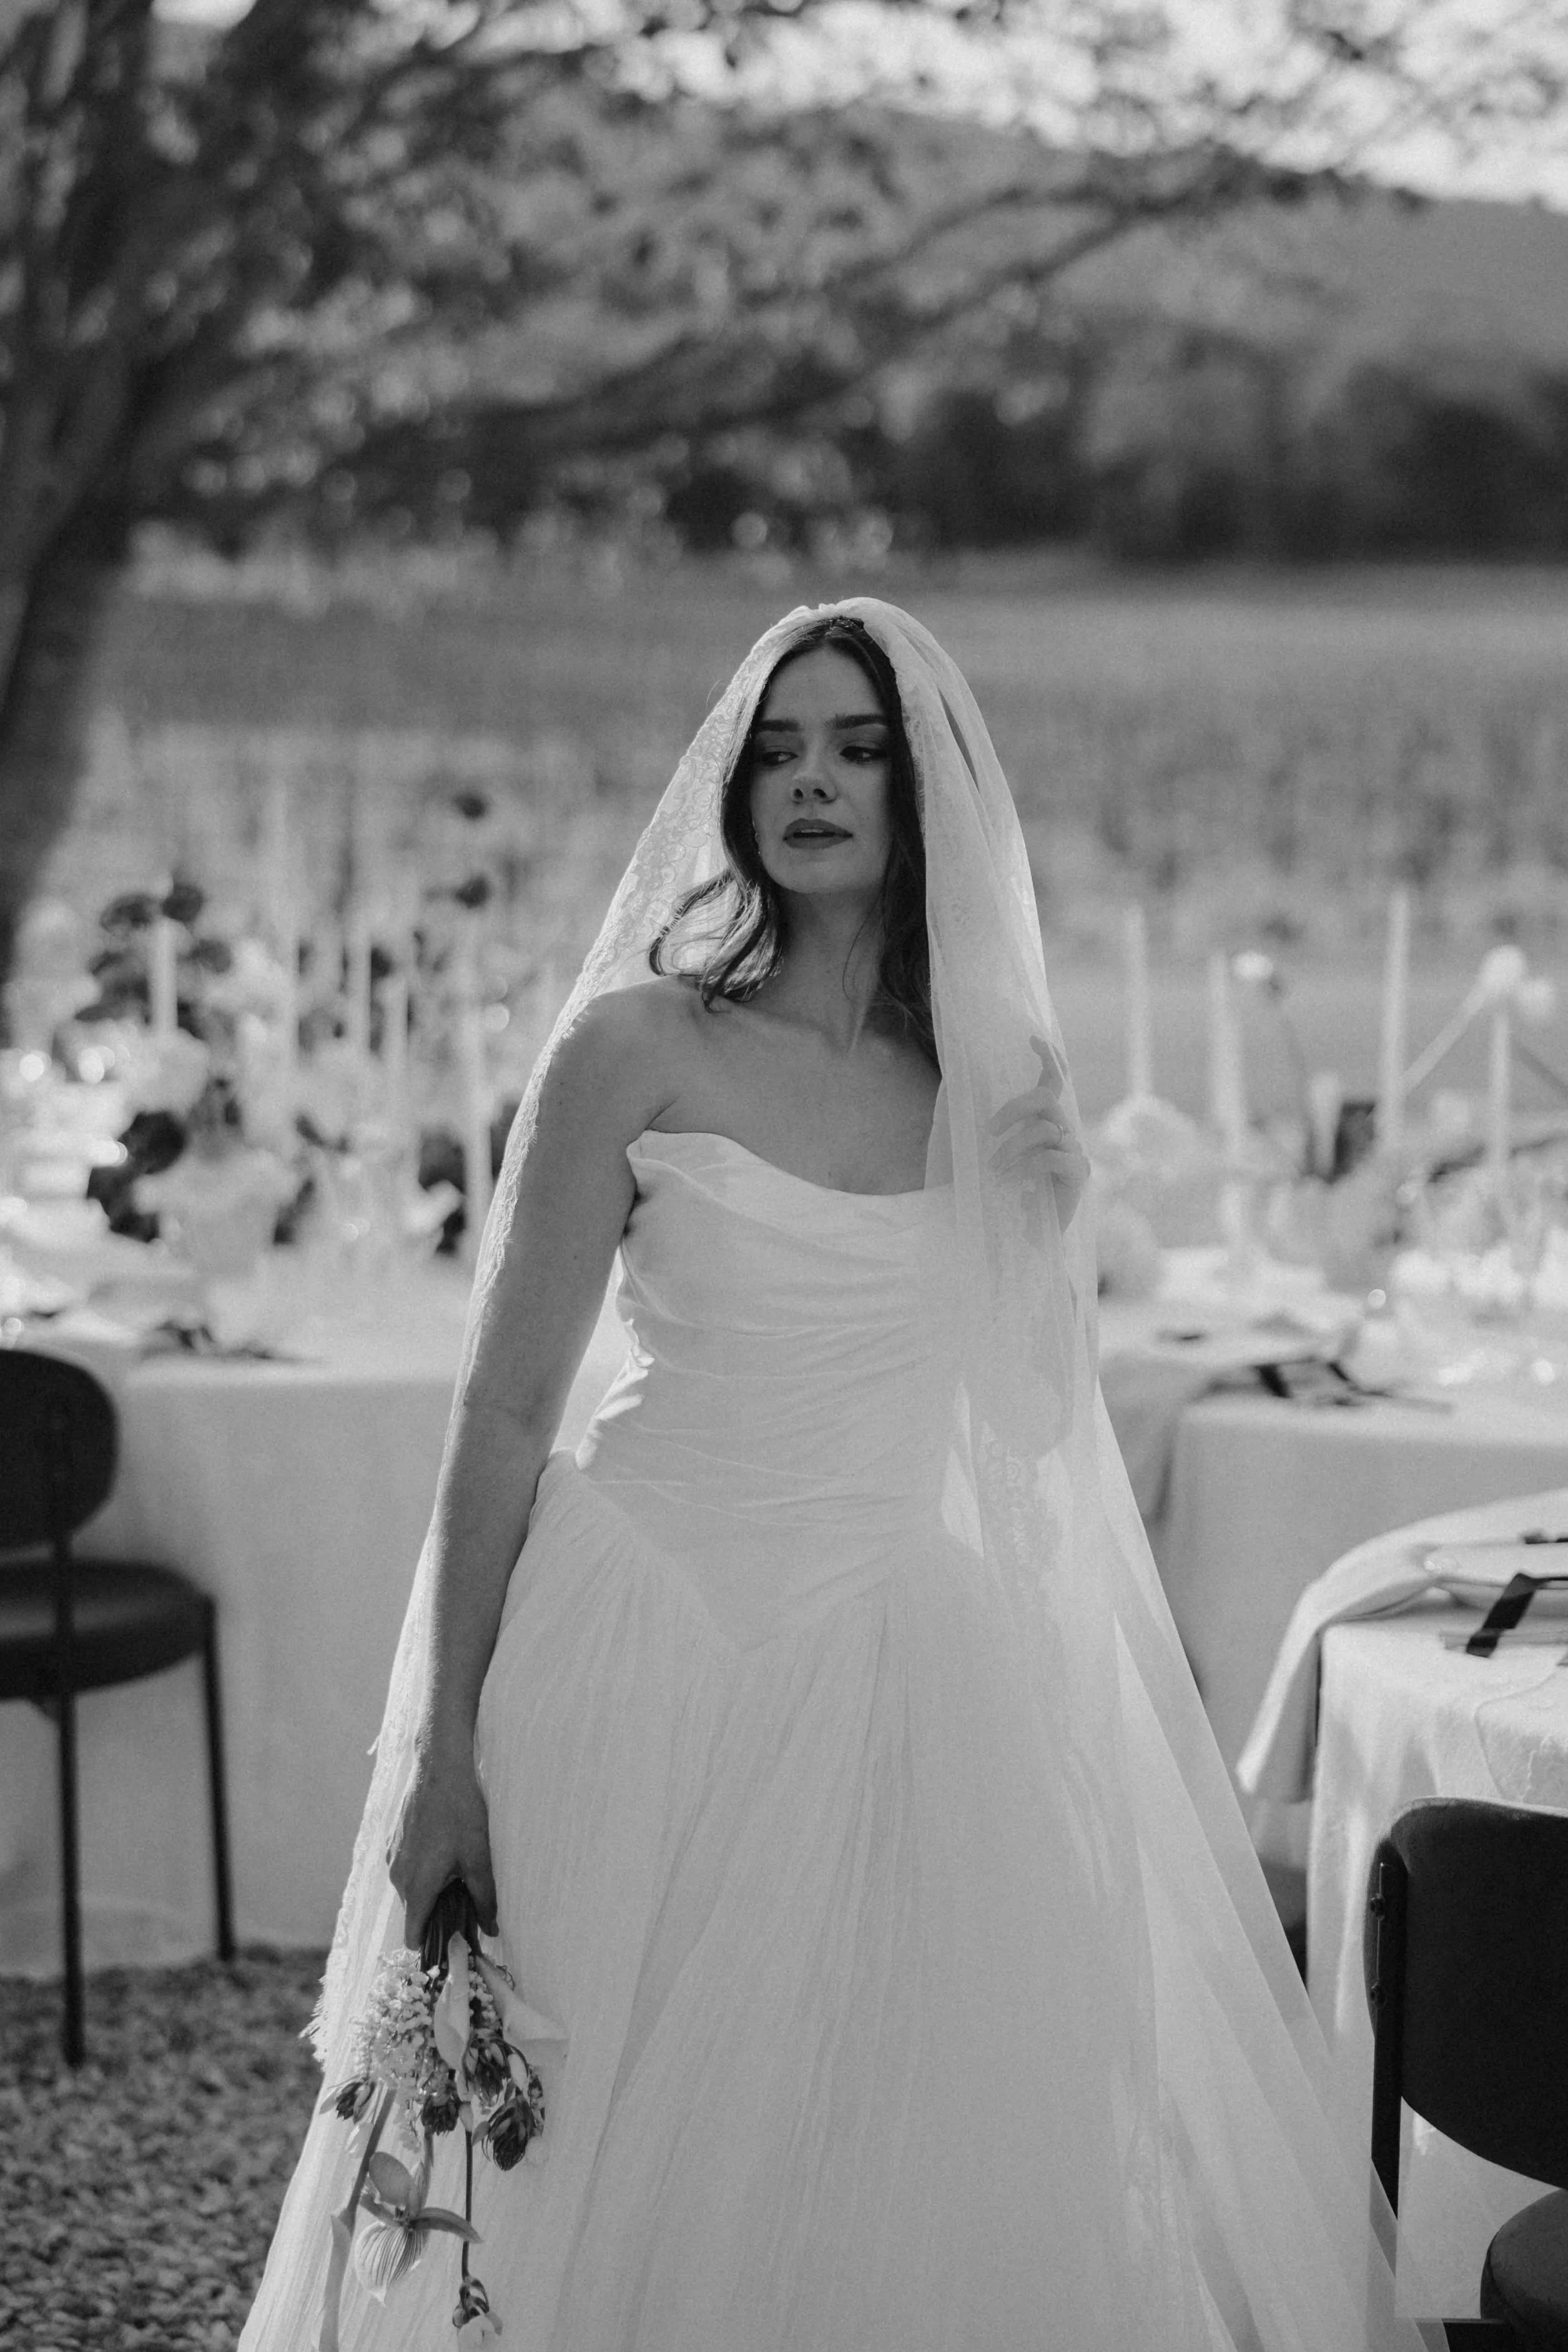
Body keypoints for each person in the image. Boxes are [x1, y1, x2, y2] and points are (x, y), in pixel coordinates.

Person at [241, 601, 1420, 2351]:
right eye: (778, 748)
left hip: (890, 1650)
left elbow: (1024, 1444)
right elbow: (499, 1414)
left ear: (922, 787)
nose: (810, 781)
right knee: (573, 2142)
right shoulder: (633, 1046)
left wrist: (1042, 1225)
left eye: (853, 747)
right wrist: (439, 1745)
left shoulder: (987, 1084)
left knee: (876, 2135)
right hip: (632, 1634)